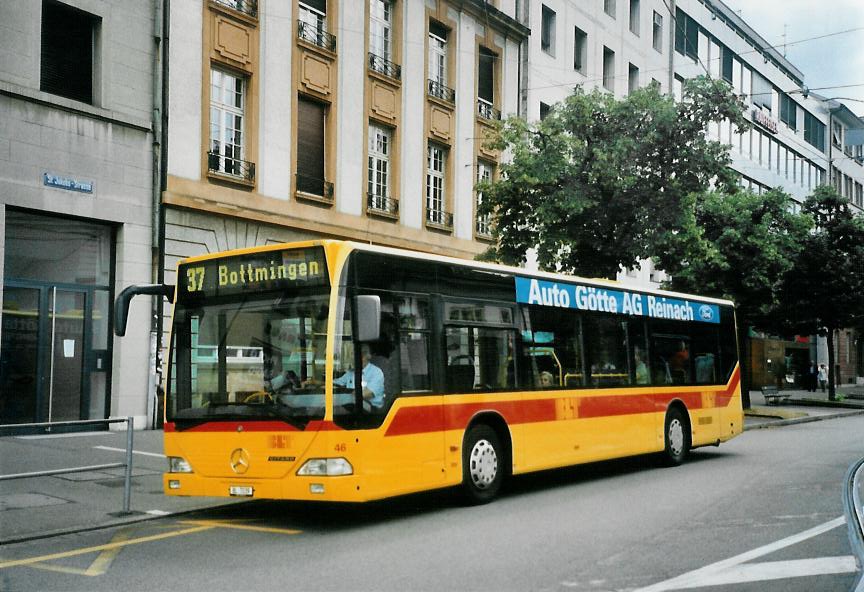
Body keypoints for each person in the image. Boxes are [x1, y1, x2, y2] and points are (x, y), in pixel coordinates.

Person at [334, 344, 385, 410]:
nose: (356, 357)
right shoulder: (351, 372)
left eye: (362, 354)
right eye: (353, 354)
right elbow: (336, 383)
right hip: (353, 407)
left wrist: (344, 396)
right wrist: (318, 382)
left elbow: (365, 394)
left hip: (371, 411)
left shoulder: (376, 372)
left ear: (369, 356)